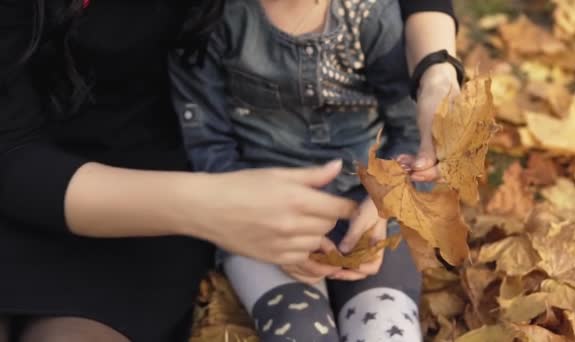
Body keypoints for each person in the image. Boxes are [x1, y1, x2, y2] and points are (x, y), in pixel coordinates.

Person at [0, 0, 457, 341]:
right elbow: (12, 154)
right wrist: (211, 202)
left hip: (144, 185)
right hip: (132, 189)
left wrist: (436, 71)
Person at [170, 0, 460, 341]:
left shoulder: (368, 15)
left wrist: (386, 200)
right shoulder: (212, 19)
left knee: (385, 328)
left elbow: (409, 132)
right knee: (300, 331)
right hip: (258, 218)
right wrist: (261, 221)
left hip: (372, 211)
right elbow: (208, 143)